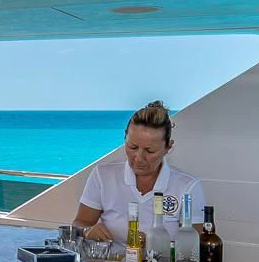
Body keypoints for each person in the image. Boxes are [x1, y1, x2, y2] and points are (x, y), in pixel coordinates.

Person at [73, 101, 207, 245]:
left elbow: (196, 245)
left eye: (150, 151)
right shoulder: (103, 175)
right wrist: (87, 231)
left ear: (168, 147)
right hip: (111, 259)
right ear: (125, 138)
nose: (139, 158)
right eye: (133, 147)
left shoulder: (187, 187)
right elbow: (80, 223)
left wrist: (156, 244)